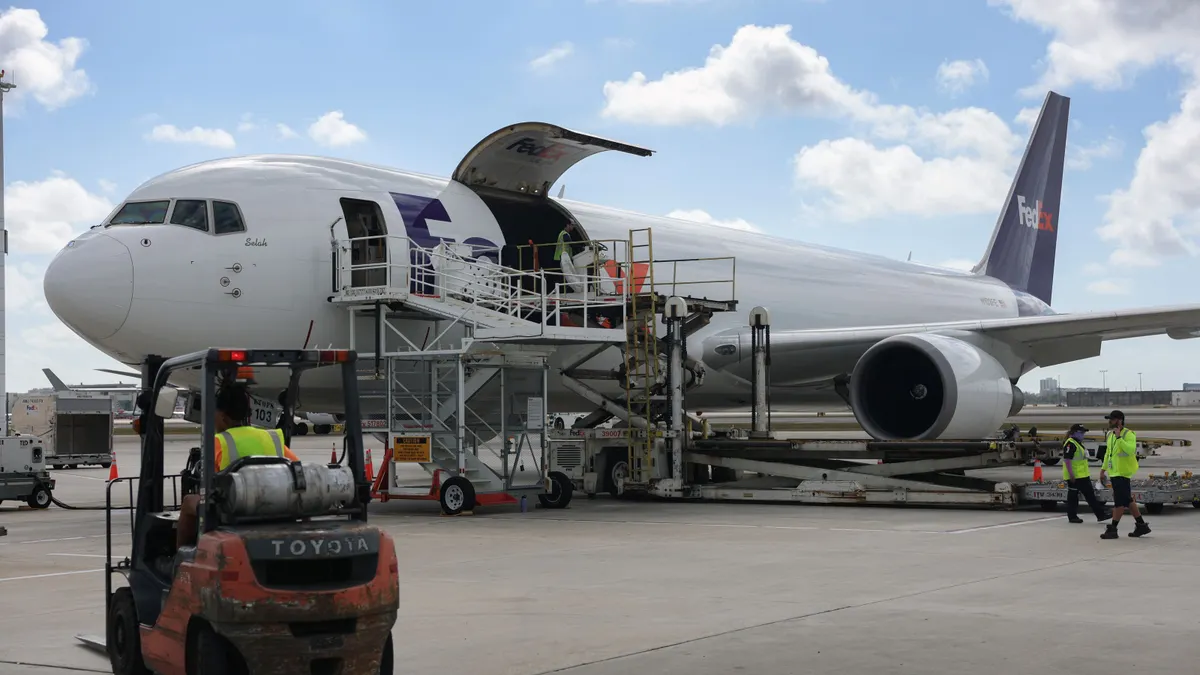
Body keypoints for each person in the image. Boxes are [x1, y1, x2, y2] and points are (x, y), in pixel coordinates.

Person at [176, 381, 300, 549]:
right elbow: (296, 467)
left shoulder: (218, 442)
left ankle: (182, 555)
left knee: (188, 502)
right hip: (276, 505)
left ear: (222, 417)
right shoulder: (271, 437)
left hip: (237, 508)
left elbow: (209, 484)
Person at [1099, 410, 1150, 539]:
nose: (1109, 421)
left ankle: (1113, 529)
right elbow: (1108, 453)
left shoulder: (1128, 434)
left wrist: (1119, 438)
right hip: (1114, 472)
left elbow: (1130, 450)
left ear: (1119, 420)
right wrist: (1103, 469)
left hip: (1123, 472)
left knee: (1119, 502)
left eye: (1112, 419)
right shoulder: (1110, 434)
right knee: (1127, 500)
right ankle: (1141, 525)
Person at [1061, 423, 1110, 523]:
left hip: (1082, 474)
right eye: (1081, 432)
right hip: (1076, 476)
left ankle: (1099, 515)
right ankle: (1075, 516)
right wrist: (1071, 474)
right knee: (1077, 496)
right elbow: (1067, 460)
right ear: (1074, 432)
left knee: (1087, 495)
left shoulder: (1077, 443)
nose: (1083, 434)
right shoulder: (1070, 444)